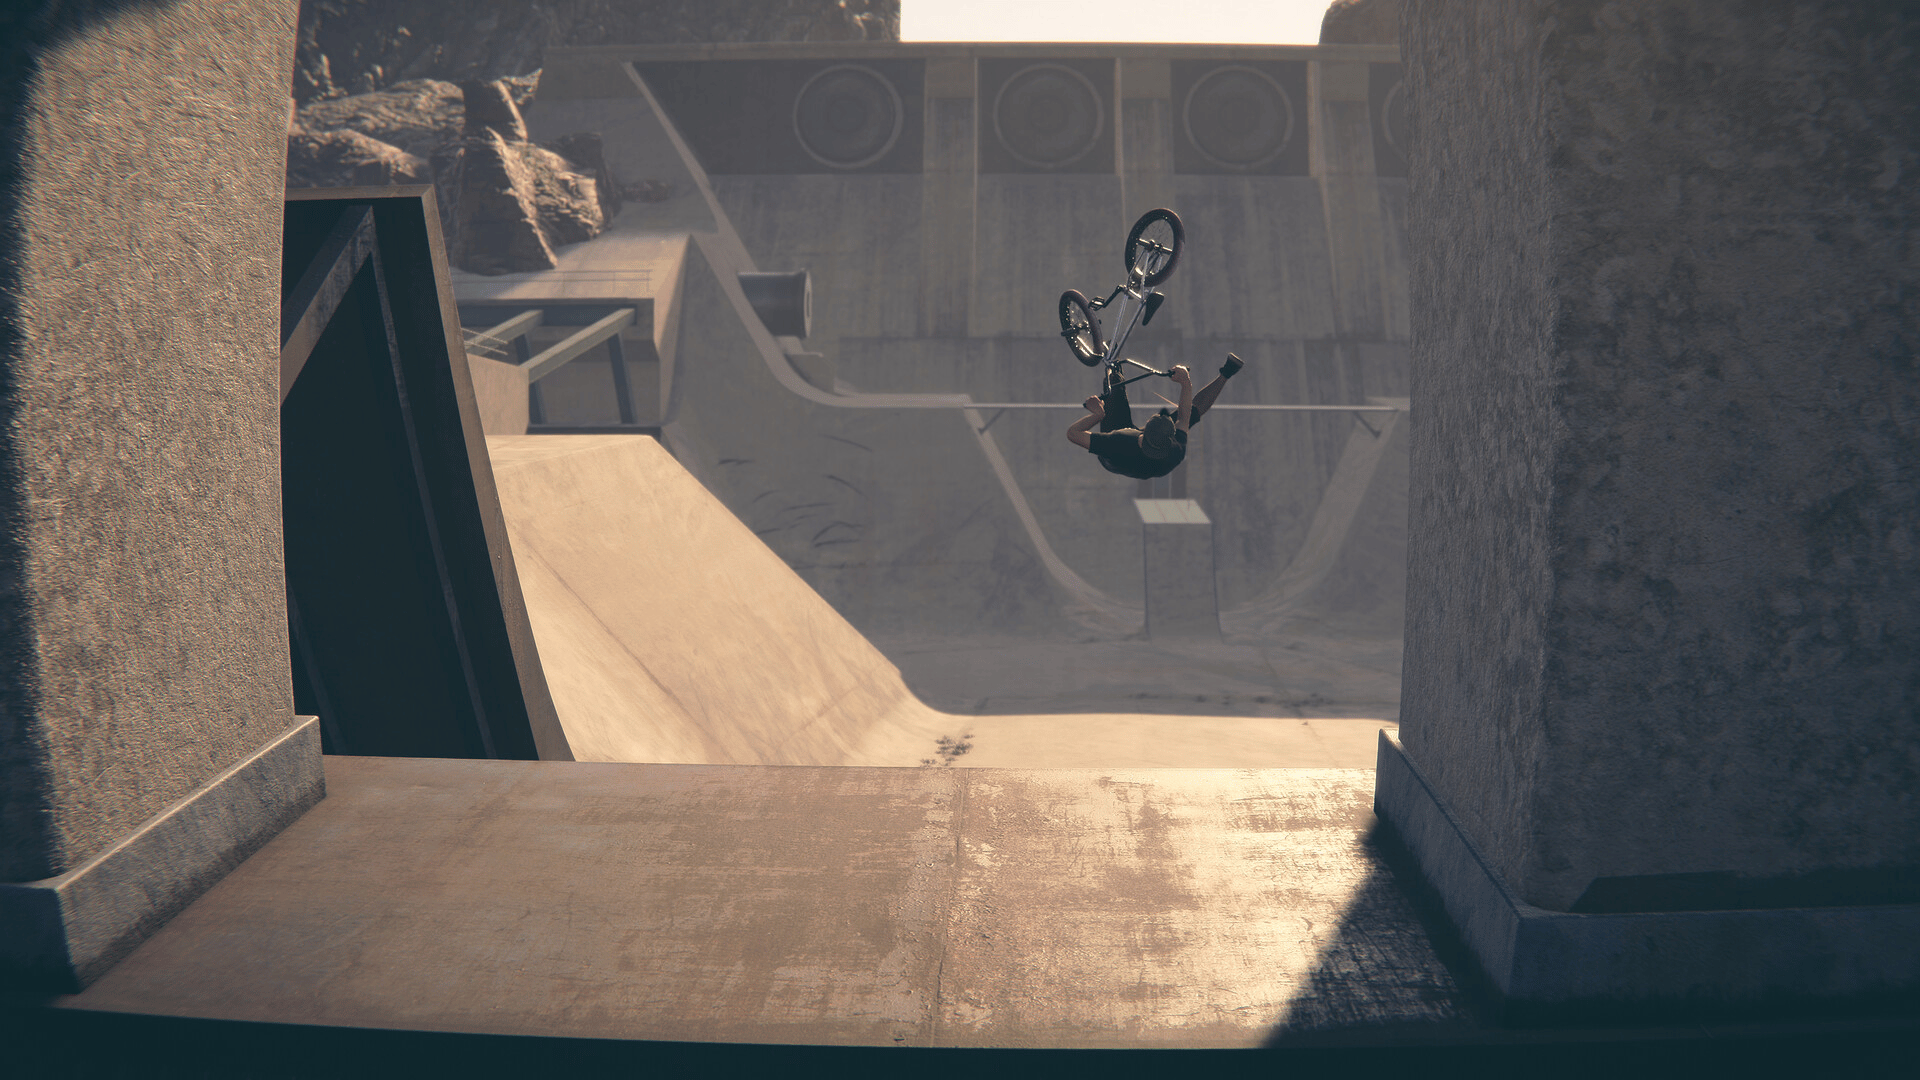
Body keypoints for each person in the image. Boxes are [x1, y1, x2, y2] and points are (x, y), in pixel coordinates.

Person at [1066, 353, 1244, 479]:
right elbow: (1185, 416)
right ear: (1170, 437)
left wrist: (1097, 415)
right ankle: (1226, 374)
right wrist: (1185, 383)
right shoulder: (1175, 451)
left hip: (1114, 458)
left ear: (1144, 431)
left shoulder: (1115, 443)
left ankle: (1112, 363)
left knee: (1115, 386)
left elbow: (1073, 434)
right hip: (1147, 460)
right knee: (1194, 413)